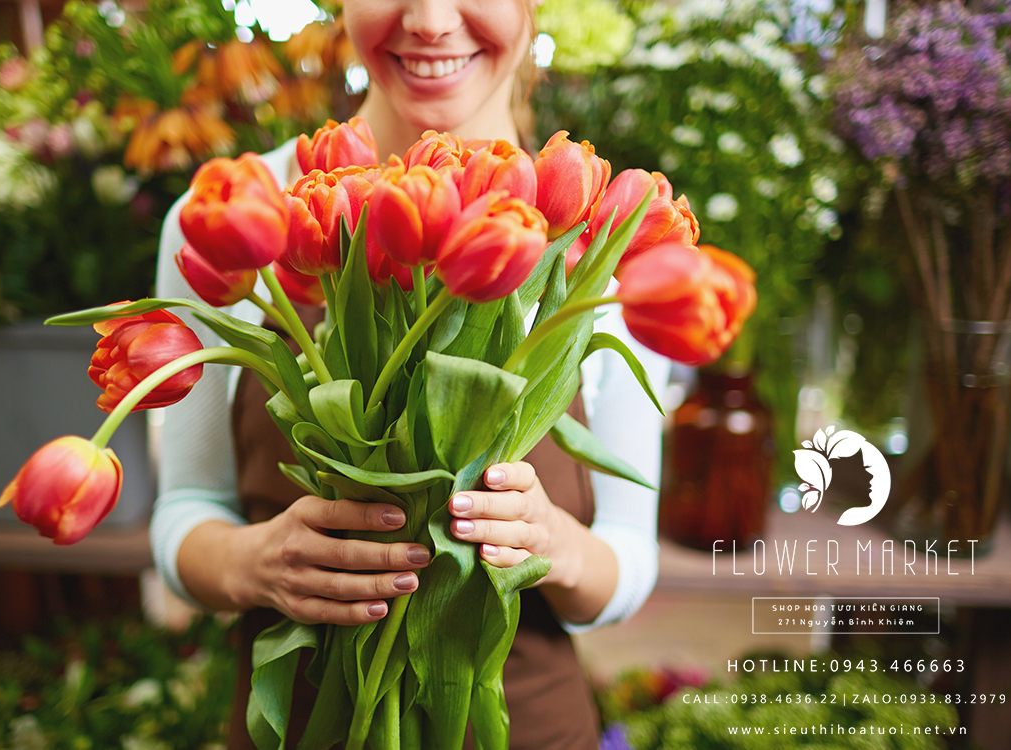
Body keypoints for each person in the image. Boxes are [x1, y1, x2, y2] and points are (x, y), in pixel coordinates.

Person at [150, 1, 671, 747]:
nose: (429, 20)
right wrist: (253, 561)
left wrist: (553, 542)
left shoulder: (603, 228)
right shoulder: (234, 211)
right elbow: (187, 510)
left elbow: (628, 558)